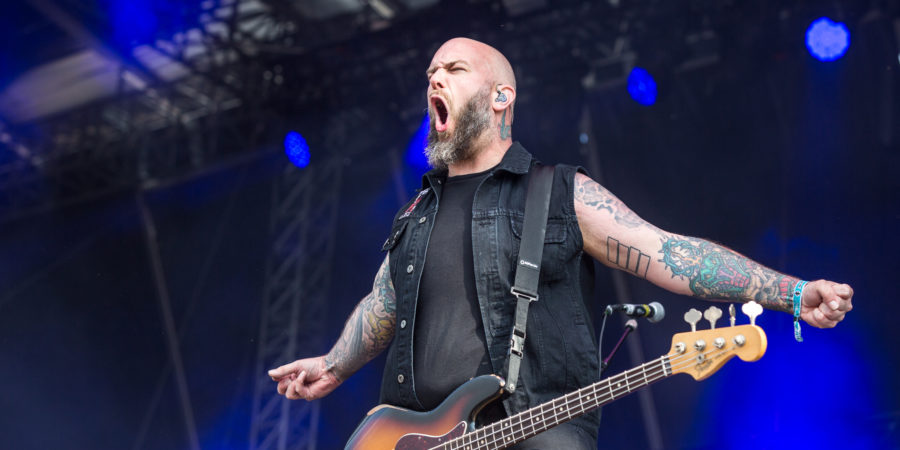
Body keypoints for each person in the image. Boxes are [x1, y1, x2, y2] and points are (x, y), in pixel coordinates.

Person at [268, 37, 854, 448]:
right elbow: (385, 303)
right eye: (430, 74)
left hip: (534, 431)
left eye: (454, 69)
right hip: (418, 434)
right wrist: (334, 364)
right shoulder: (416, 213)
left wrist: (790, 292)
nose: (434, 80)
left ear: (501, 97)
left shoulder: (557, 193)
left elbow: (669, 254)